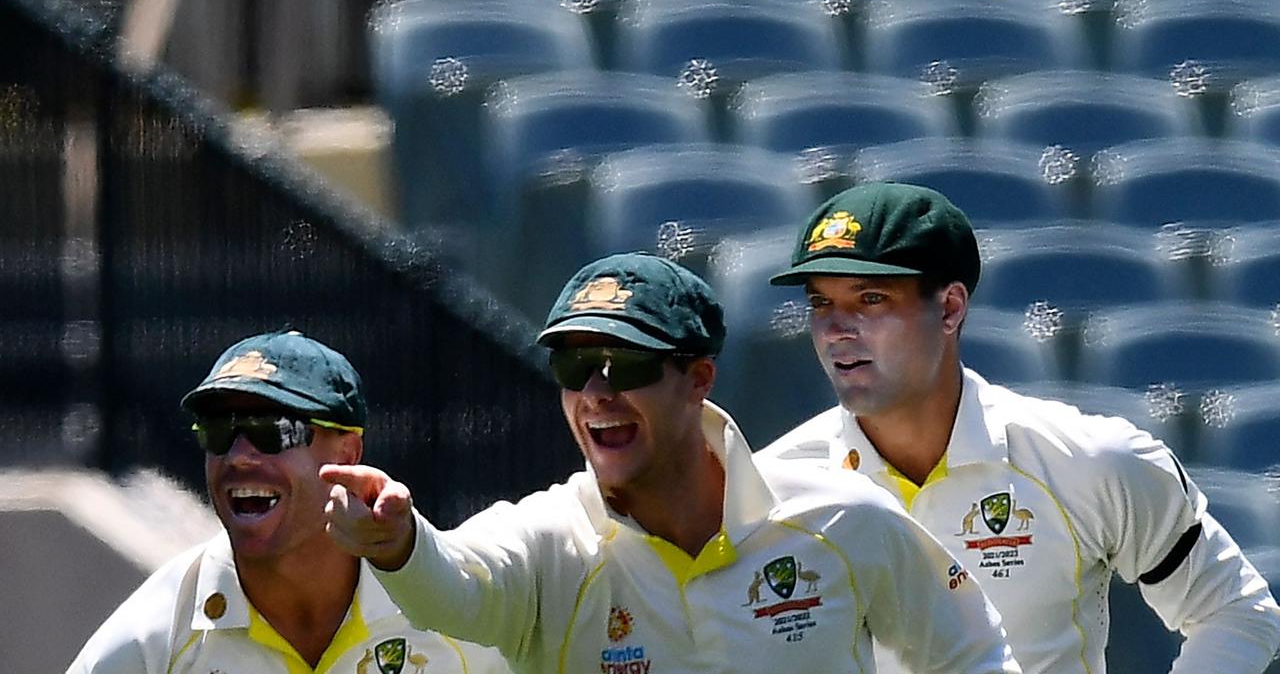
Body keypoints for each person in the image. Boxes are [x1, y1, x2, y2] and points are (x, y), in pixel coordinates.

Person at [321, 252, 1022, 673]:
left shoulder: (842, 517)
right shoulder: (549, 542)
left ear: (699, 380)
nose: (597, 393)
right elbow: (456, 588)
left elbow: (973, 653)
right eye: (573, 365)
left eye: (626, 363)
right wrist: (399, 544)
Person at [759, 182, 1280, 673]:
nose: (835, 330)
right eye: (819, 303)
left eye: (870, 299)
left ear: (950, 307)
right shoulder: (763, 490)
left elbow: (1238, 611)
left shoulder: (1088, 458)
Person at [68, 330, 511, 674]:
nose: (239, 456)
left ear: (348, 453)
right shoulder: (153, 639)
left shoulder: (452, 615)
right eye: (218, 431)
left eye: (274, 429)